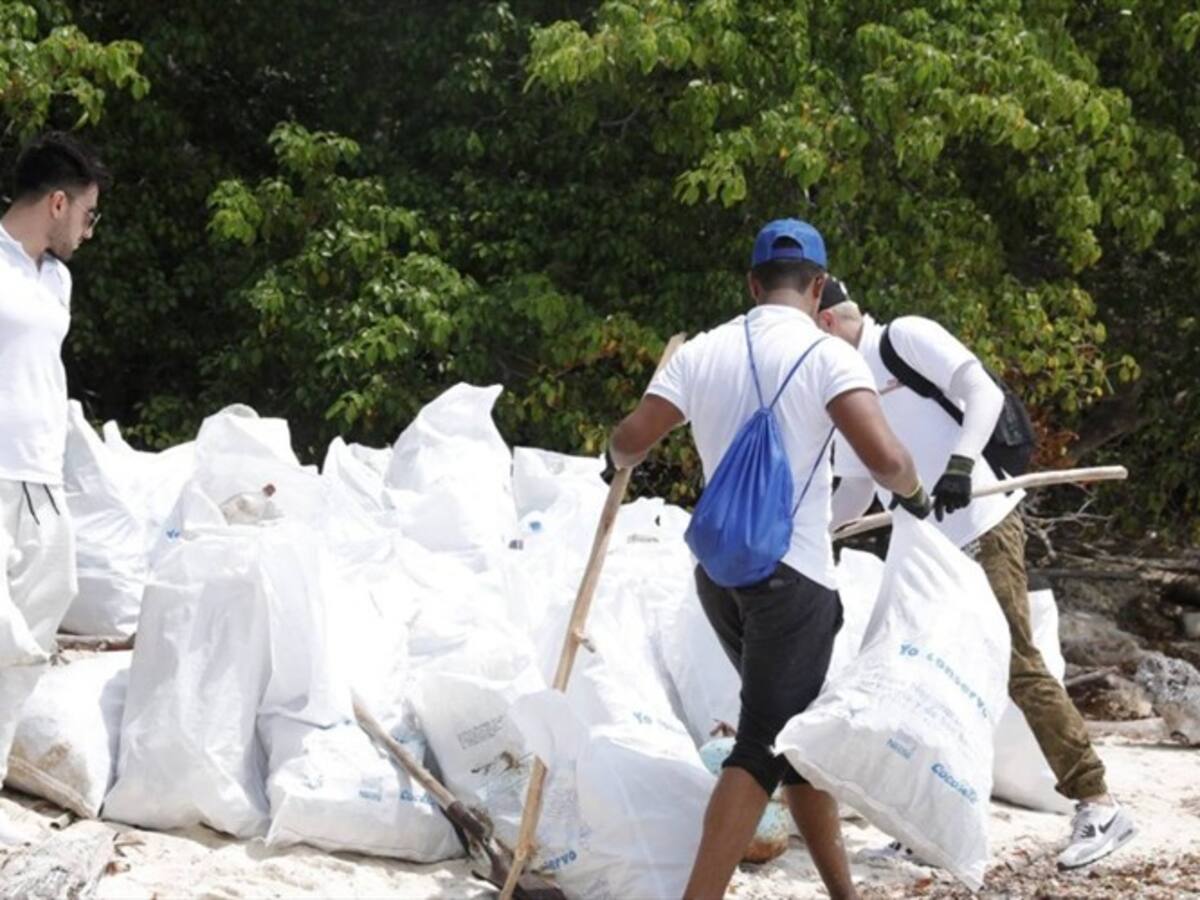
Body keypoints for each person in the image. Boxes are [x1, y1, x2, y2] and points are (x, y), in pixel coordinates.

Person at [608, 219, 932, 900]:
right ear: (817, 288)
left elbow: (632, 440)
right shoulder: (828, 356)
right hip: (795, 583)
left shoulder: (698, 353)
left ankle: (845, 894)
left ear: (753, 284)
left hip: (720, 576)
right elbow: (885, 458)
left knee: (795, 737)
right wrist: (916, 492)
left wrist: (617, 458)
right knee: (760, 744)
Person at [815, 279, 1136, 871]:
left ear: (828, 324)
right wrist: (818, 534)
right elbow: (859, 484)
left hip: (985, 522)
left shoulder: (903, 338)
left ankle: (1098, 802)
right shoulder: (847, 389)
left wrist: (962, 463)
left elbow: (979, 391)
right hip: (929, 544)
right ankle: (924, 823)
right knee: (920, 669)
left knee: (1016, 663)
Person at [0, 132, 106, 773]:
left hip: (41, 481)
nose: (90, 232)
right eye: (90, 215)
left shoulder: (56, 280)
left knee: (34, 633)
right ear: (59, 203)